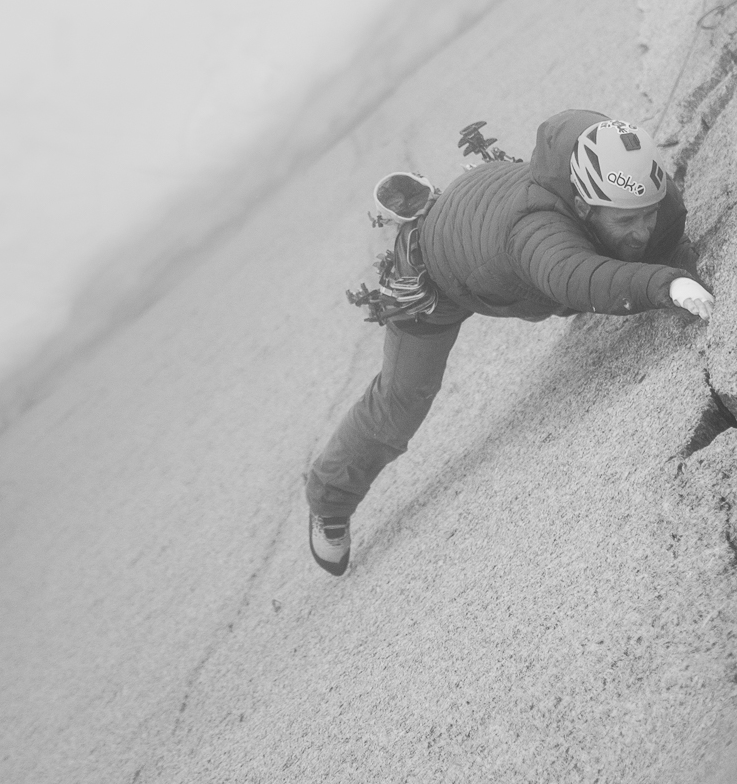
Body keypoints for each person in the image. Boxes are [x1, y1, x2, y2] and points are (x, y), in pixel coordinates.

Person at [305, 109, 715, 573]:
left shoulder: (637, 187)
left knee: (607, 260)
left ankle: (435, 200)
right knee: (403, 399)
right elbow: (574, 275)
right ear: (583, 206)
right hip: (436, 272)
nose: (643, 229)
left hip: (492, 204)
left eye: (649, 214)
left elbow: (651, 231)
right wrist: (665, 284)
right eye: (626, 221)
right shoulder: (536, 232)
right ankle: (328, 499)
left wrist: (669, 259)